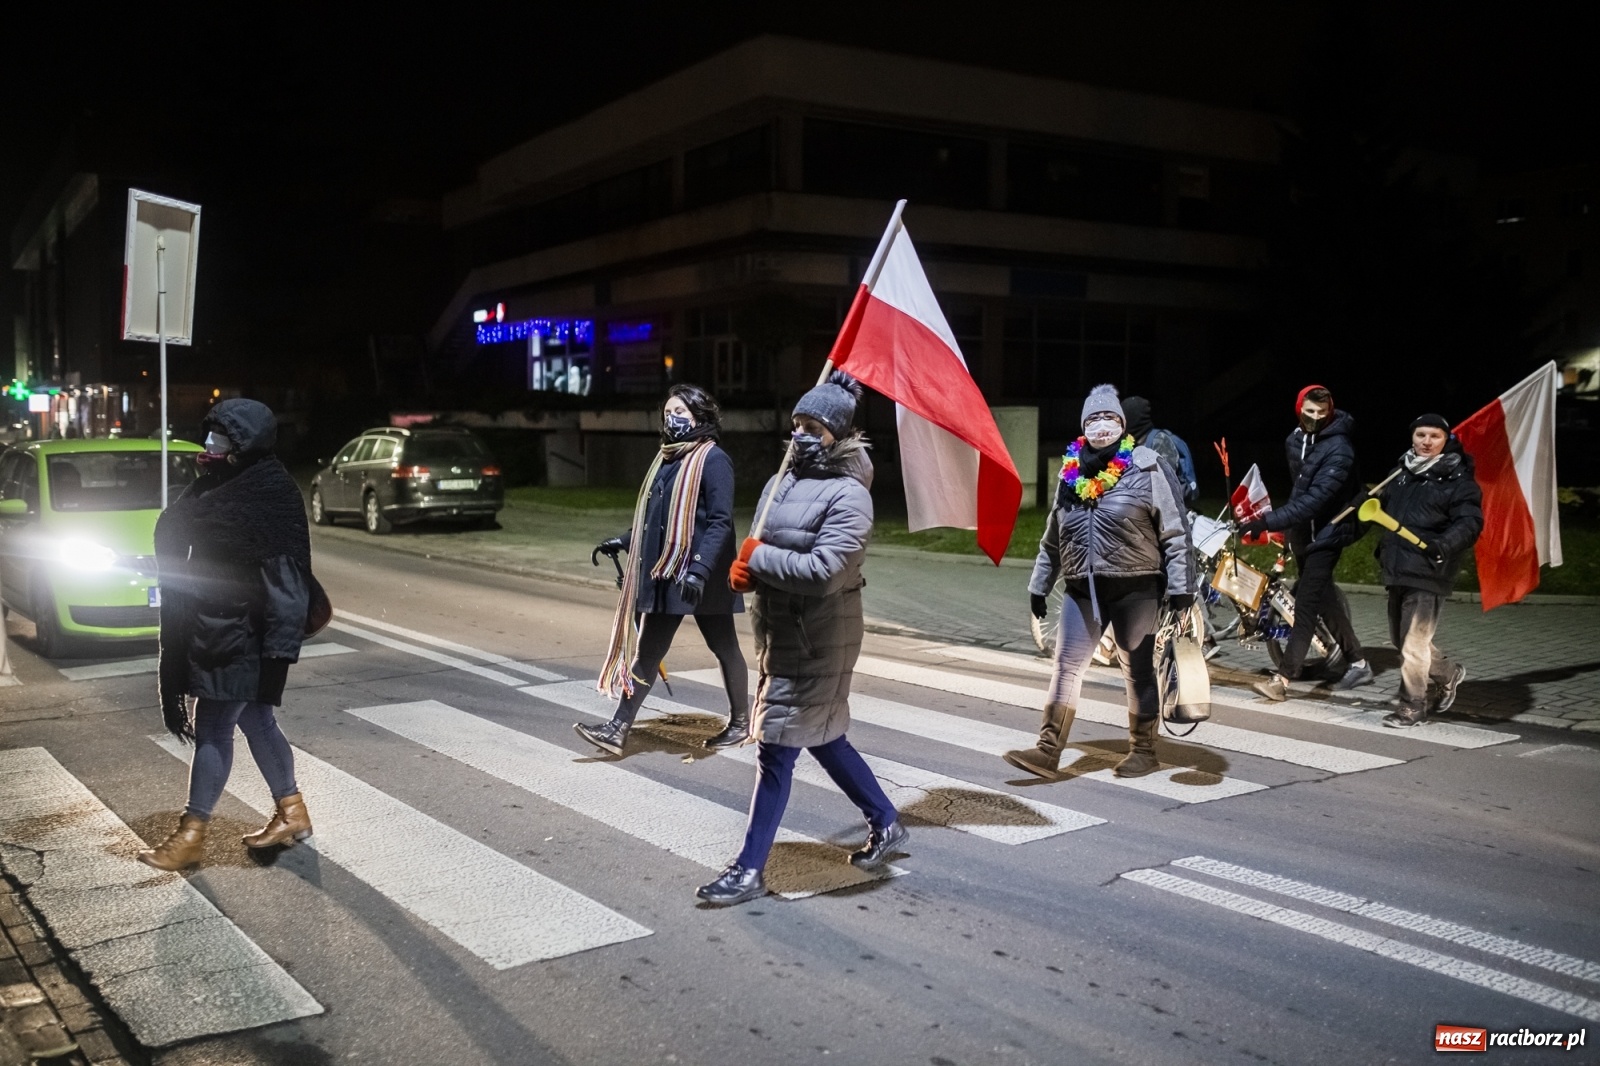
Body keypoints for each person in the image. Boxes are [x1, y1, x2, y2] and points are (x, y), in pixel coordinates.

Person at [696, 371, 907, 906]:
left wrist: (757, 560)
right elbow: (761, 548)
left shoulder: (850, 496)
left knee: (775, 749)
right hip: (781, 635)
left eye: (814, 426)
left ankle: (748, 869)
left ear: (838, 434)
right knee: (825, 737)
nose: (802, 435)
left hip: (820, 639)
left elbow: (825, 571)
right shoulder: (779, 484)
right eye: (797, 424)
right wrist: (743, 573)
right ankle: (886, 821)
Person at [139, 399, 315, 871]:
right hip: (216, 629)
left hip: (247, 633)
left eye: (223, 437)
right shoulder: (216, 485)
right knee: (256, 721)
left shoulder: (268, 490)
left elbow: (288, 575)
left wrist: (279, 648)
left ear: (246, 443)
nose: (212, 444)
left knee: (214, 725)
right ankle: (292, 810)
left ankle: (191, 834)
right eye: (211, 433)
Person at [1005, 384, 1194, 781]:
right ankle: (1047, 750)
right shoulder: (1070, 472)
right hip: (1081, 588)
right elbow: (1054, 536)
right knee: (1066, 666)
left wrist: (1181, 588)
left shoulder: (1147, 465)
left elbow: (1175, 532)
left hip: (1136, 586)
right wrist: (1040, 584)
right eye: (1093, 419)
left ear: (1122, 425)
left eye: (1108, 418)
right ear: (1083, 426)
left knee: (1137, 670)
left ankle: (1144, 751)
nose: (1101, 426)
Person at [578, 385, 749, 755]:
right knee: (649, 652)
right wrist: (624, 540)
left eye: (680, 412)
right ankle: (618, 727)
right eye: (668, 412)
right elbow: (657, 521)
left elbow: (720, 522)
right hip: (667, 572)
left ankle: (739, 724)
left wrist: (700, 570)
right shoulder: (666, 460)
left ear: (700, 417)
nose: (672, 419)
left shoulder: (714, 460)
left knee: (724, 647)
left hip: (701, 575)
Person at [1241, 385, 1372, 701]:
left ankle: (1282, 680)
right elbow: (1299, 490)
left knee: (1306, 608)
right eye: (1308, 411)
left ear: (1330, 413)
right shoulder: (1294, 440)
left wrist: (1269, 521)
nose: (1314, 418)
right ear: (1299, 408)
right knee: (1324, 598)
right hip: (1304, 534)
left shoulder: (1340, 449)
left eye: (1321, 413)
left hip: (1329, 533)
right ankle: (1359, 662)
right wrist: (1288, 531)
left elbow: (1316, 500)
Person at [1374, 414, 1482, 727]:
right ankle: (1449, 673)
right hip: (1397, 566)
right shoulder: (1400, 472)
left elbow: (1470, 522)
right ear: (1412, 437)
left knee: (1413, 645)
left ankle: (1412, 707)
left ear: (1445, 440)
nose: (1426, 441)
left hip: (1430, 569)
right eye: (1420, 434)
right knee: (1401, 639)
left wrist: (1444, 545)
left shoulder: (1458, 480)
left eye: (1434, 436)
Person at [1123, 396, 1200, 509]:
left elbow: (1165, 486)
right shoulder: (1131, 443)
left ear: (1132, 419)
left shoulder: (1160, 441)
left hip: (1173, 513)